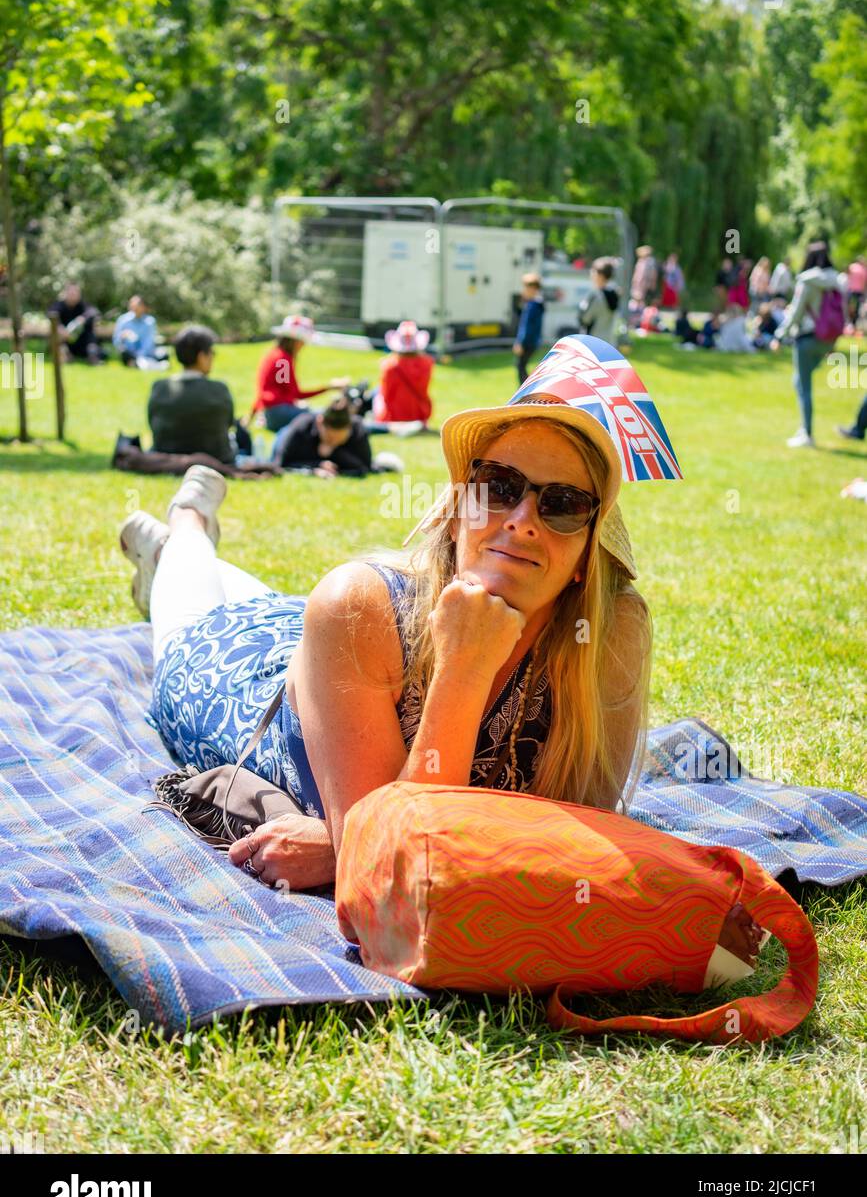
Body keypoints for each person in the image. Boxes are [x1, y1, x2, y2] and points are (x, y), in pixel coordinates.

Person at [119, 334, 681, 892]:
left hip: (319, 649)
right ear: (458, 511)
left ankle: (170, 544)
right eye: (499, 487)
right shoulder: (356, 605)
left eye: (562, 504)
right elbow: (398, 871)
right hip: (237, 677)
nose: (521, 520)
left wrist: (341, 845)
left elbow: (576, 838)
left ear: (587, 553)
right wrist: (465, 667)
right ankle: (187, 524)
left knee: (269, 605)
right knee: (192, 621)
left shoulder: (610, 630)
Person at [770, 240, 847, 448]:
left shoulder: (807, 281)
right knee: (800, 381)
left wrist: (778, 336)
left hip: (807, 339)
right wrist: (834, 342)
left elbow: (795, 313)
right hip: (828, 340)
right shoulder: (838, 281)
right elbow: (843, 313)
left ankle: (807, 433)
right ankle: (804, 429)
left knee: (803, 385)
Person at [147, 325, 236, 464]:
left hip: (166, 456)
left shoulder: (160, 388)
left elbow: (152, 422)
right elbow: (229, 423)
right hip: (217, 458)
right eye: (212, 352)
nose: (213, 357)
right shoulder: (219, 390)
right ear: (202, 357)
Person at [248, 314, 349, 434]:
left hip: (272, 413)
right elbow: (296, 394)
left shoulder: (274, 355)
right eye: (303, 341)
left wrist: (250, 417)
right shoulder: (283, 361)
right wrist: (330, 387)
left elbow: (273, 392)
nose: (304, 345)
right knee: (325, 418)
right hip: (278, 414)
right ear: (295, 341)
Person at [272, 395, 372, 477]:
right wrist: (315, 467)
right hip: (281, 438)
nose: (333, 442)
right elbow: (281, 464)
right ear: (320, 423)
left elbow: (365, 467)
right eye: (330, 438)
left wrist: (335, 451)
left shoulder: (358, 429)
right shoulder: (301, 426)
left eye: (339, 439)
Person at [370, 320, 434, 426]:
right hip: (418, 414)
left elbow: (386, 395)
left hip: (393, 417)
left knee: (376, 392)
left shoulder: (389, 366)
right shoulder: (427, 363)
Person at [48, 283, 105, 364]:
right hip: (65, 340)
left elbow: (94, 312)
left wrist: (82, 319)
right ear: (66, 293)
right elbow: (51, 314)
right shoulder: (59, 305)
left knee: (90, 333)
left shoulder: (83, 305)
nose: (73, 295)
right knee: (57, 337)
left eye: (75, 293)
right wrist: (60, 328)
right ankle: (65, 355)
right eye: (71, 293)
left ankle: (93, 357)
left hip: (82, 341)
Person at [112, 295, 168, 369]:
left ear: (144, 307)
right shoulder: (123, 320)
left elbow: (149, 343)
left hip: (147, 354)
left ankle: (137, 364)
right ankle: (137, 363)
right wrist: (122, 336)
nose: (135, 308)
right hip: (129, 353)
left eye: (138, 306)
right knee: (124, 353)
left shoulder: (150, 322)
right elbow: (116, 342)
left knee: (163, 354)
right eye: (132, 305)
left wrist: (140, 356)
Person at [576, 259, 620, 345]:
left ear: (600, 275)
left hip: (593, 342)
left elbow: (584, 319)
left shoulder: (596, 296)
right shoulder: (615, 293)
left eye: (593, 271)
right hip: (609, 342)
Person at [512, 272, 545, 385]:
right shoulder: (538, 304)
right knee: (522, 366)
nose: (523, 291)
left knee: (520, 367)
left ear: (532, 289)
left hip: (527, 342)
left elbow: (526, 326)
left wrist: (519, 342)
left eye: (525, 288)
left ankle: (525, 394)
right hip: (534, 341)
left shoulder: (532, 305)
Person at [846, 256, 867, 328]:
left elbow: (847, 277)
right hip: (858, 292)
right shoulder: (864, 269)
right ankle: (853, 324)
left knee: (850, 307)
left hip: (851, 290)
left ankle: (850, 323)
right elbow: (864, 283)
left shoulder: (852, 266)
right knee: (856, 308)